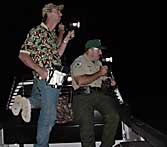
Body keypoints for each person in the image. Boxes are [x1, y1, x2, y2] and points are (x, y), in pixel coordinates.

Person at [11, 2, 75, 147]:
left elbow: (57, 54)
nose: (61, 14)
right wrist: (40, 70)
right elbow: (23, 55)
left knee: (40, 102)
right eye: (58, 11)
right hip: (46, 78)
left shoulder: (50, 34)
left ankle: (27, 102)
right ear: (50, 12)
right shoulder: (37, 31)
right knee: (49, 117)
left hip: (52, 78)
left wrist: (65, 38)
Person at [70, 39, 120, 147]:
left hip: (99, 94)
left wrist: (110, 82)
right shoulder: (78, 62)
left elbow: (103, 79)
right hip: (82, 95)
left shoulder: (98, 63)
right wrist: (99, 73)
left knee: (114, 116)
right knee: (87, 125)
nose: (101, 53)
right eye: (99, 50)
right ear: (90, 50)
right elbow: (81, 81)